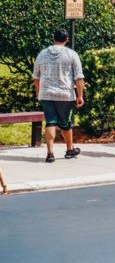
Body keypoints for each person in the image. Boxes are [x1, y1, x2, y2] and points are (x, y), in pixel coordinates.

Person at [32, 28, 85, 163]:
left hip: (46, 93)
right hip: (65, 94)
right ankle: (69, 150)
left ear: (53, 38)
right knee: (66, 123)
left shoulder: (42, 54)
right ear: (67, 39)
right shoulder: (71, 54)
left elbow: (36, 77)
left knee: (50, 122)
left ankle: (50, 153)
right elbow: (79, 78)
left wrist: (38, 90)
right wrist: (80, 95)